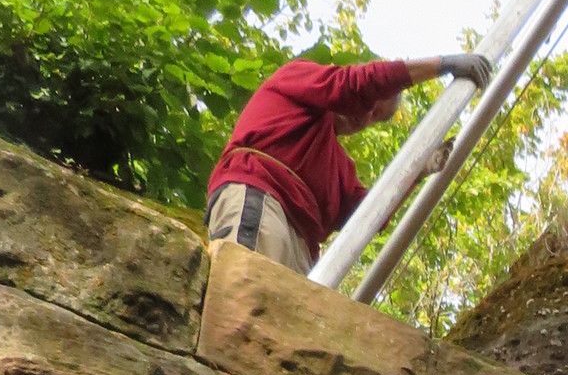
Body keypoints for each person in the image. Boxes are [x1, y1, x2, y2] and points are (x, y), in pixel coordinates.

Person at [205, 50, 493, 275]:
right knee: (242, 287)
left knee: (275, 322)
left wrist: (418, 171)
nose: (365, 116)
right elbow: (356, 86)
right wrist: (442, 65)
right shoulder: (299, 79)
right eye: (372, 103)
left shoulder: (339, 168)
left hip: (302, 247)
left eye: (376, 117)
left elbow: (367, 215)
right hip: (262, 198)